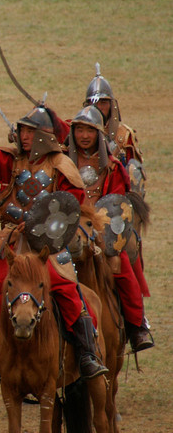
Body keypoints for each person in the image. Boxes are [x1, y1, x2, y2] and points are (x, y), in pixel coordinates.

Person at [0, 104, 108, 382]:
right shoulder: (15, 162)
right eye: (22, 131)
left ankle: (87, 353)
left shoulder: (61, 165)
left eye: (30, 131)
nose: (24, 136)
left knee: (65, 287)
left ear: (43, 135)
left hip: (47, 246)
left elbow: (71, 204)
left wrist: (42, 222)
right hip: (14, 243)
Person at [67, 105, 154, 352]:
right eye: (80, 130)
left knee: (122, 268)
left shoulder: (114, 167)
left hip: (103, 233)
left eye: (90, 131)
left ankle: (137, 326)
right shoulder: (64, 162)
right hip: (70, 233)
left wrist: (99, 233)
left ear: (99, 133)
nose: (84, 135)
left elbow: (116, 206)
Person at [83, 63, 146, 195]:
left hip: (116, 200)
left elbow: (134, 176)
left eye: (103, 103)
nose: (99, 107)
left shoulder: (124, 135)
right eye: (94, 103)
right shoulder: (78, 132)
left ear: (112, 105)